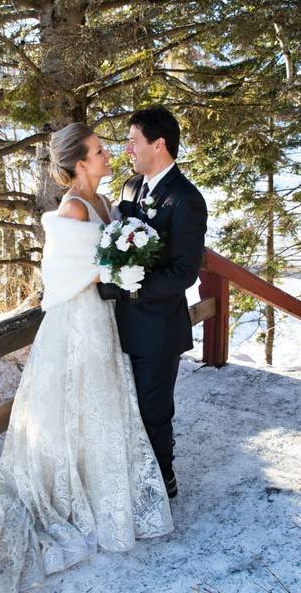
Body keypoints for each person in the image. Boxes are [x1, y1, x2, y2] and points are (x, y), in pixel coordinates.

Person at [0, 123, 173, 593]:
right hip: (77, 320)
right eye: (98, 151)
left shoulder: (106, 203)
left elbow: (110, 257)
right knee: (75, 403)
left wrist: (124, 260)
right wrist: (115, 265)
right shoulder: (73, 208)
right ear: (79, 163)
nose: (107, 154)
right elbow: (63, 272)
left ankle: (102, 488)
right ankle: (68, 497)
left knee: (101, 403)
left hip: (102, 319)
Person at [97, 106, 208, 500]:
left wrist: (131, 289)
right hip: (119, 324)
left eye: (134, 141)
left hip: (158, 328)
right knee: (125, 407)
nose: (128, 148)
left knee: (153, 410)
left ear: (158, 144)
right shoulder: (130, 188)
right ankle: (130, 474)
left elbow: (184, 273)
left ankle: (162, 483)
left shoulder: (186, 199)